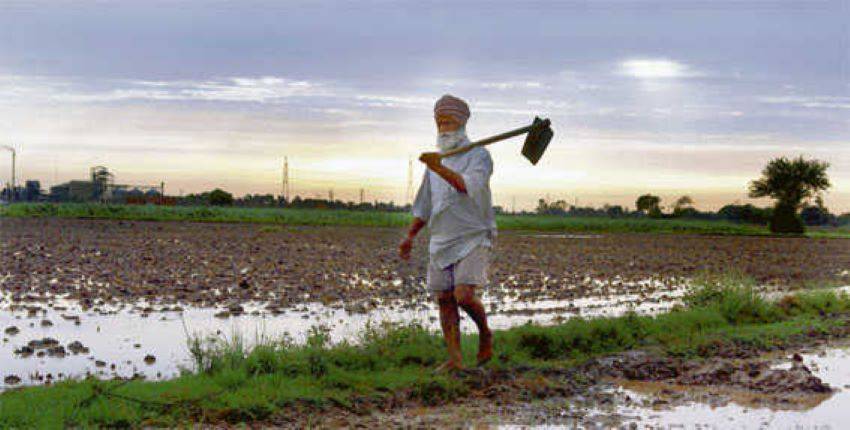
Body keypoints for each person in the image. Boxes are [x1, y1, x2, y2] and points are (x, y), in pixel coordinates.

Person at [399, 94, 496, 372]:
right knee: (444, 299)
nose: (444, 127)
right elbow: (424, 206)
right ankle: (455, 359)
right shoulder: (436, 162)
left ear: (462, 123)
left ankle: (485, 334)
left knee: (464, 295)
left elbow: (466, 187)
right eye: (439, 122)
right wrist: (410, 236)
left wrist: (437, 167)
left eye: (449, 121)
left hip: (473, 235)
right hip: (442, 238)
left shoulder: (479, 156)